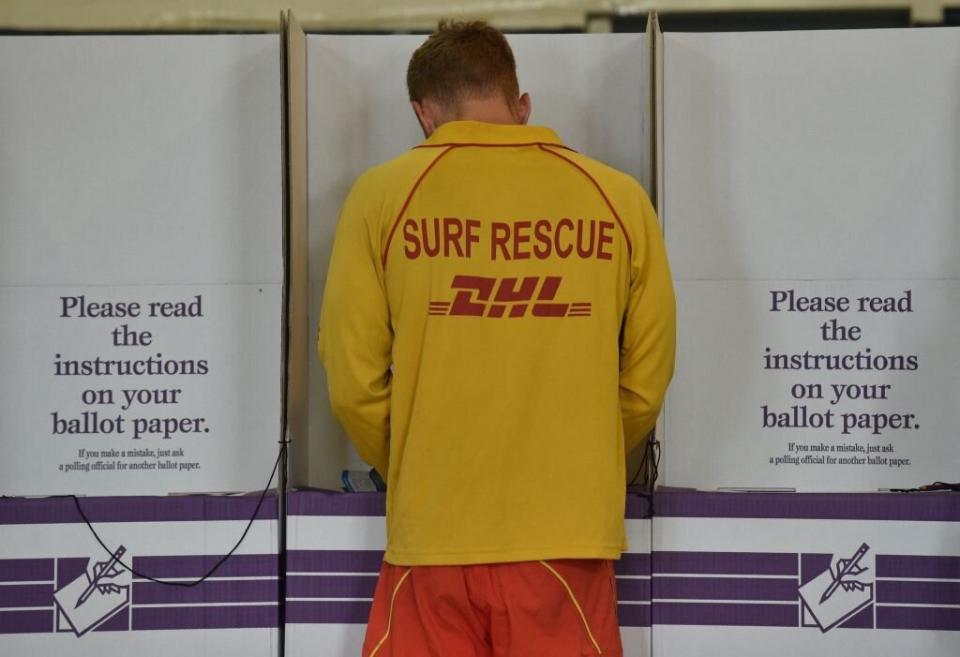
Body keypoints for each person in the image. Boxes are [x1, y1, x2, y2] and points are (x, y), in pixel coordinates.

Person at [318, 20, 675, 657]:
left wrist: (415, 459)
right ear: (522, 105)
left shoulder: (380, 198)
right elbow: (646, 380)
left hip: (433, 537)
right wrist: (581, 455)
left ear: (424, 115)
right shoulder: (619, 200)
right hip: (568, 543)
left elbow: (352, 381)